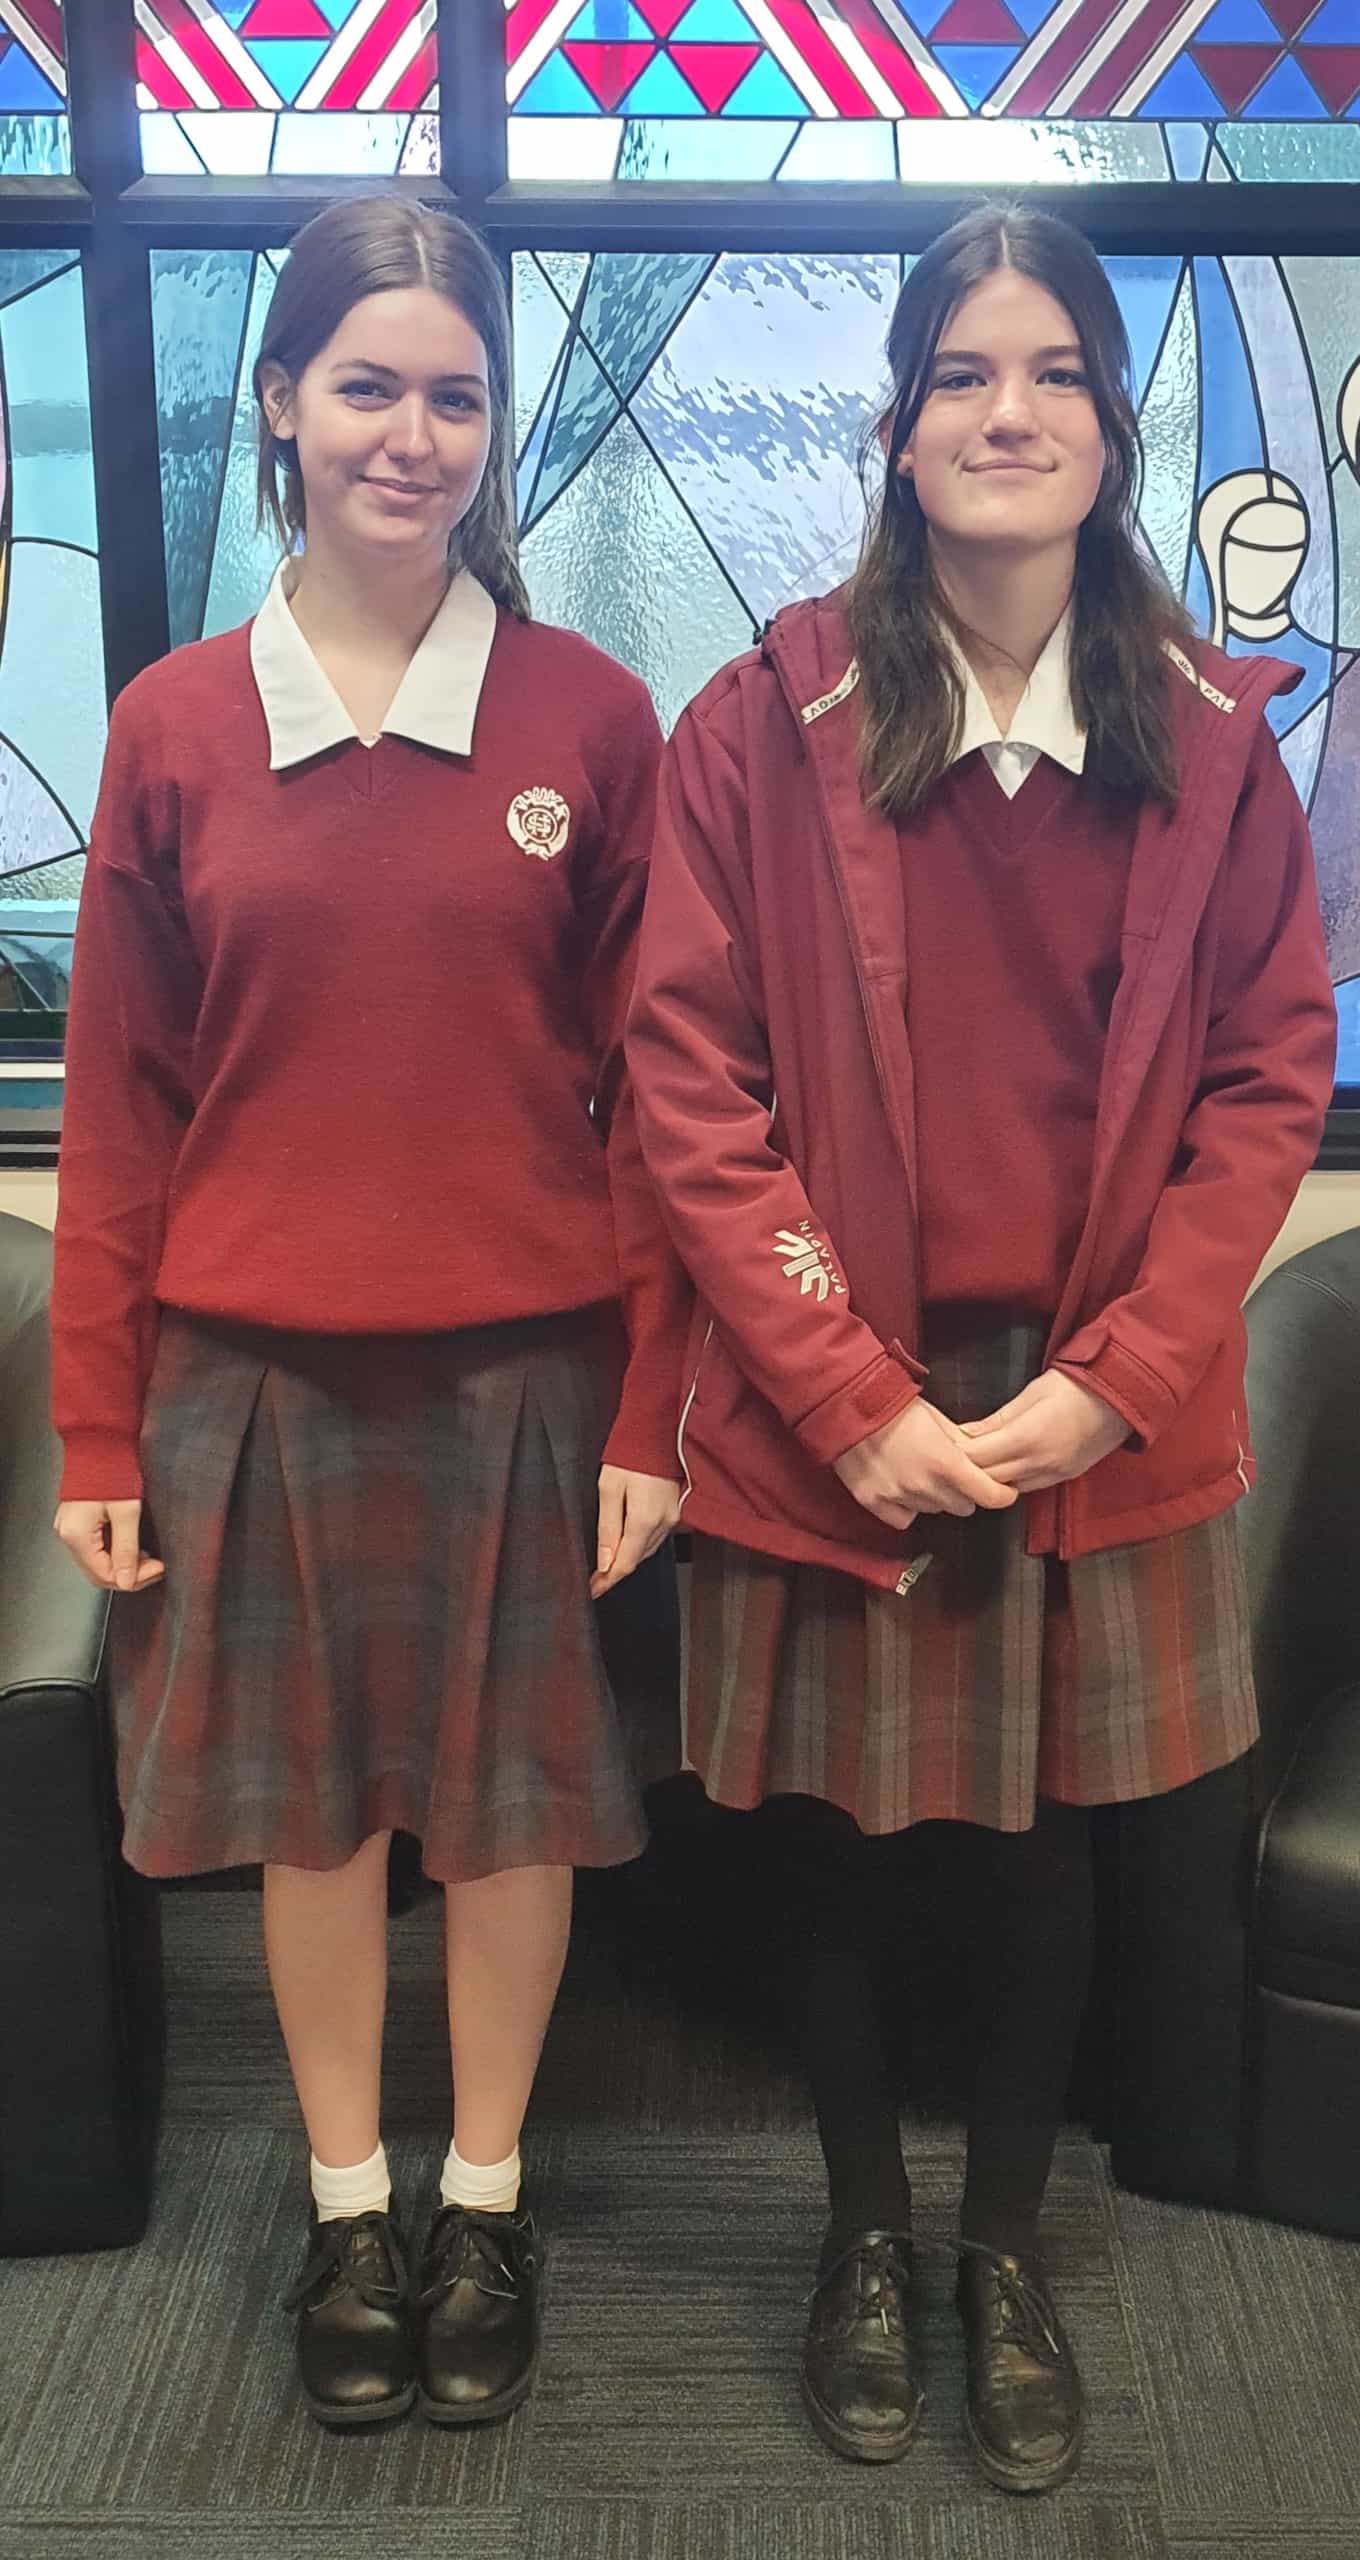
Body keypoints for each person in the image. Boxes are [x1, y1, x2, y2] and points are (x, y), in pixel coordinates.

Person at [627, 203, 1335, 2494]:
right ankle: (860, 2228)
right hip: (829, 1379)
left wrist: (1108, 1380)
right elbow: (686, 1075)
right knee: (836, 1845)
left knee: (1041, 1855)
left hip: (1087, 1397)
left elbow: (1264, 1079)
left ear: (1110, 426)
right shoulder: (764, 716)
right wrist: (844, 1393)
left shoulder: (1211, 737)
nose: (1004, 409)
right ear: (896, 424)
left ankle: (999, 2243)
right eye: (960, 370)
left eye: (1050, 371)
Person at [50, 195, 686, 2433]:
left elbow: (664, 1104)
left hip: (530, 1376)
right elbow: (120, 1109)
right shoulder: (173, 725)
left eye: (454, 396)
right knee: (308, 1819)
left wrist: (656, 1408)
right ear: (280, 403)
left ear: (490, 427)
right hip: (248, 1377)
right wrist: (98, 1429)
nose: (410, 435)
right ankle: (347, 2204)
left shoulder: (593, 719)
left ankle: (483, 2195)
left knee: (510, 1815)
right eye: (366, 387)